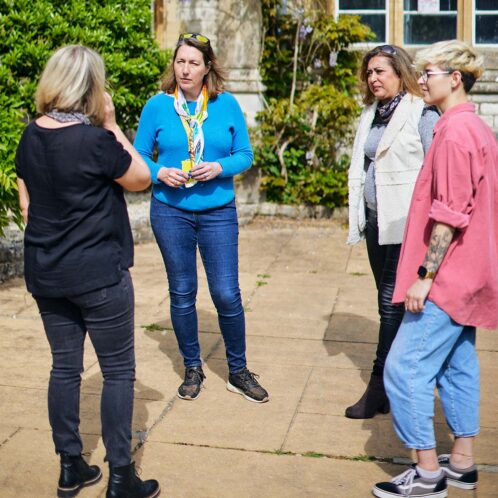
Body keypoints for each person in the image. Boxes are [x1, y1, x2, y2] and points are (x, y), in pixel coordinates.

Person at [15, 45, 160, 498]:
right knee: (118, 371)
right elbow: (141, 177)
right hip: (98, 273)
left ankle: (70, 466)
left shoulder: (29, 136)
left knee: (64, 368)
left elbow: (26, 207)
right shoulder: (97, 141)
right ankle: (120, 477)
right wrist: (114, 124)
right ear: (90, 88)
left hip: (47, 272)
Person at [372, 40, 497, 498]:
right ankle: (462, 463)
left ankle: (426, 474)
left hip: (447, 278)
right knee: (457, 366)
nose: (421, 80)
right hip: (471, 275)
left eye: (429, 73)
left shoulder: (455, 132)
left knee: (403, 369)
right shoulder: (475, 127)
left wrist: (424, 278)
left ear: (455, 78)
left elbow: (449, 214)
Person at [134, 33, 269, 403]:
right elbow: (138, 154)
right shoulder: (157, 107)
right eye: (180, 62)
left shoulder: (226, 106)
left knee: (226, 293)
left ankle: (238, 370)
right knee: (182, 292)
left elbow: (245, 154)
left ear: (208, 67)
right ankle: (192, 366)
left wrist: (219, 167)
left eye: (194, 62)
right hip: (170, 211)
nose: (185, 69)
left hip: (217, 212)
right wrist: (160, 172)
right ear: (173, 66)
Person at [346, 45, 439, 419]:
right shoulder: (372, 114)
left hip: (405, 225)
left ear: (400, 73)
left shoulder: (421, 113)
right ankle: (397, 381)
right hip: (374, 222)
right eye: (370, 72)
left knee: (390, 303)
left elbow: (436, 168)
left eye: (381, 71)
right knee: (390, 305)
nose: (373, 78)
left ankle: (379, 386)